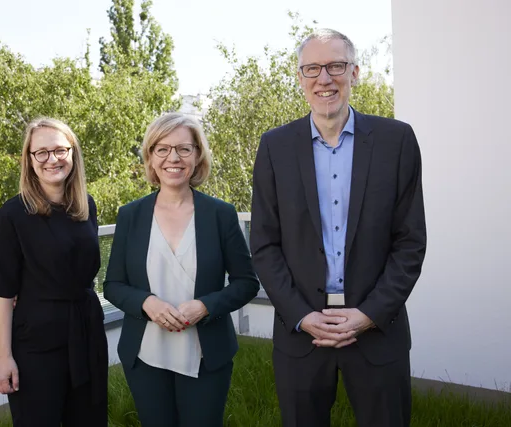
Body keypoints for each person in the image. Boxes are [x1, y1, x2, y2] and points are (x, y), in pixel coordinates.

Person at [250, 29, 426, 427]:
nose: (324, 78)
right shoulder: (274, 147)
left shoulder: (396, 141)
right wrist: (300, 314)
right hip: (302, 333)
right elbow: (264, 244)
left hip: (378, 329)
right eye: (312, 68)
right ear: (300, 78)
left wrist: (367, 314)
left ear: (355, 73)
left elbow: (410, 243)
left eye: (335, 66)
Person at [103, 112, 260, 427]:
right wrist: (148, 303)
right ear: (150, 156)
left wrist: (205, 306)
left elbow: (246, 283)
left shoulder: (221, 214)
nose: (173, 157)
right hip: (145, 354)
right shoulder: (130, 215)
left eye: (184, 149)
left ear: (198, 155)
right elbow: (113, 285)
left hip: (206, 353)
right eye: (162, 149)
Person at [0, 117, 108, 426]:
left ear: (73, 153)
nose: (52, 159)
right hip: (36, 345)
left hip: (87, 332)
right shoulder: (12, 214)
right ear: (29, 160)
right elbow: (4, 294)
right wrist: (4, 358)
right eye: (41, 152)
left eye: (59, 150)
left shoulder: (86, 206)